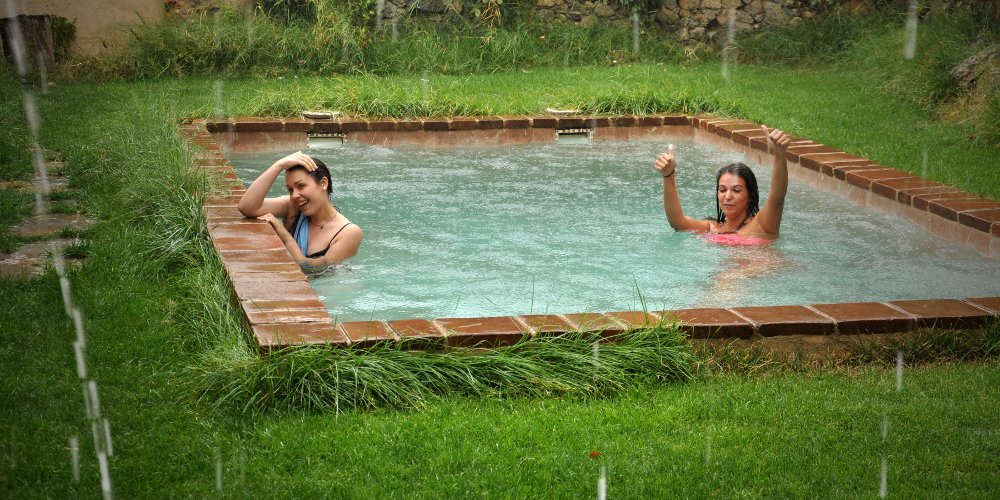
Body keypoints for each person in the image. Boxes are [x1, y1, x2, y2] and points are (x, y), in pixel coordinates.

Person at [654, 125, 791, 243]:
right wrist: (668, 175)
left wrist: (779, 155)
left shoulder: (761, 225)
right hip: (729, 272)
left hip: (762, 268)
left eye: (736, 190)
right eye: (722, 190)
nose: (728, 196)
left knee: (727, 276)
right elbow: (677, 222)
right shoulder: (711, 228)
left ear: (751, 195)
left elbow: (777, 198)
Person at [237, 151, 362, 266]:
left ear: (323, 183)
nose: (295, 195)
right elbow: (247, 207)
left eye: (301, 186)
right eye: (290, 190)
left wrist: (285, 236)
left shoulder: (348, 233)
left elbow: (310, 267)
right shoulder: (293, 207)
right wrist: (279, 165)